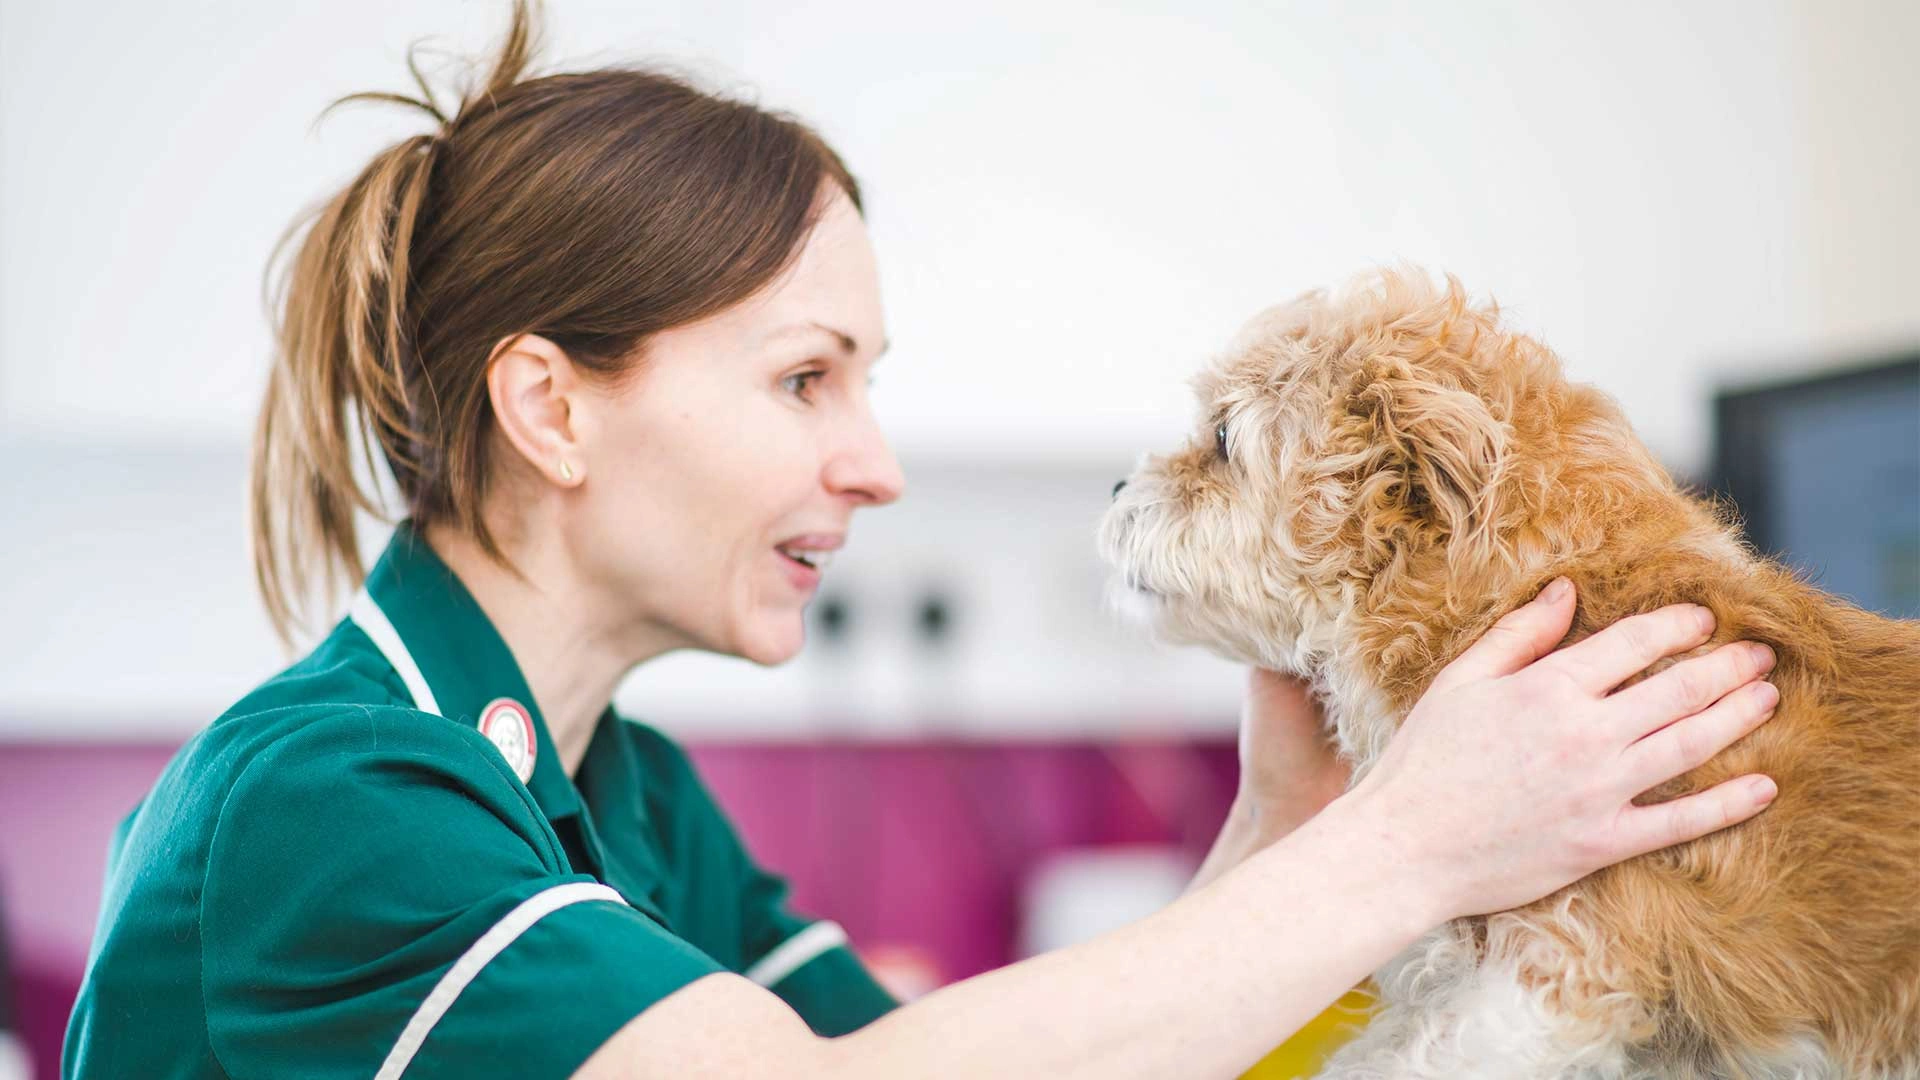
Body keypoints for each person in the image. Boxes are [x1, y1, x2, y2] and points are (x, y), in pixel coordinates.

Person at [60, 5, 1782, 1077]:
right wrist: (1417, 849)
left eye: (865, 385)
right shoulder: (334, 804)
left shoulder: (630, 798)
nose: (873, 466)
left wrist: (1285, 830)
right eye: (805, 378)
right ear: (552, 407)